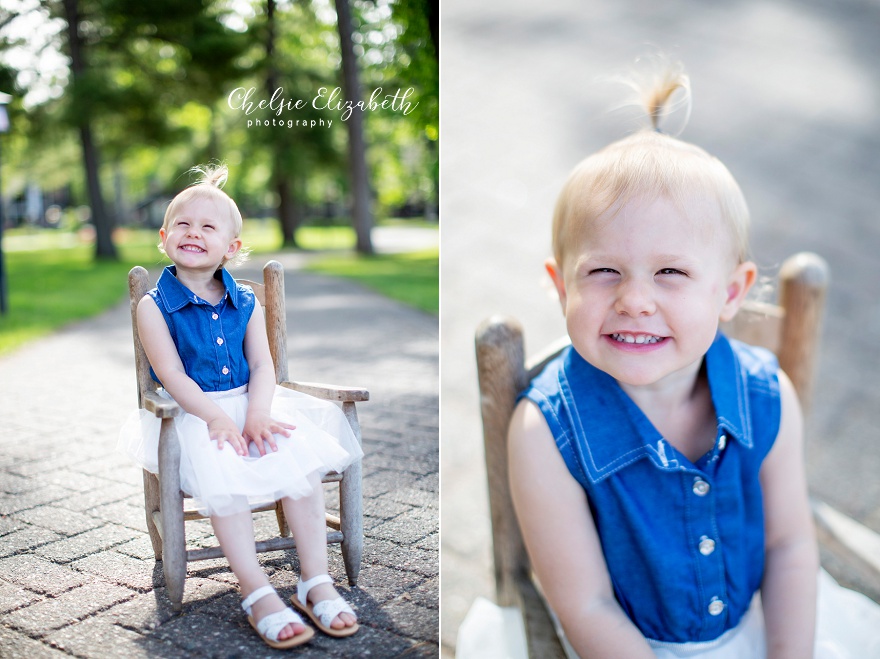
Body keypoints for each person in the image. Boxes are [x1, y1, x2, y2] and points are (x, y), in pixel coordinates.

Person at [507, 64, 880, 658]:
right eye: (603, 271)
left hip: (770, 626)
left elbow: (788, 546)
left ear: (731, 292)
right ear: (560, 288)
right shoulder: (544, 433)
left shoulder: (765, 396)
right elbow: (584, 605)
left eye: (671, 272)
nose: (634, 299)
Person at [119, 164, 362, 650]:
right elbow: (172, 376)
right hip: (193, 413)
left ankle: (315, 581)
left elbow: (264, 366)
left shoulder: (246, 300)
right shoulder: (153, 305)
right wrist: (215, 417)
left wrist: (257, 412)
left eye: (209, 227)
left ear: (230, 248)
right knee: (223, 481)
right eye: (184, 225)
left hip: (254, 404)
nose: (194, 233)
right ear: (165, 238)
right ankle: (256, 591)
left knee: (300, 466)